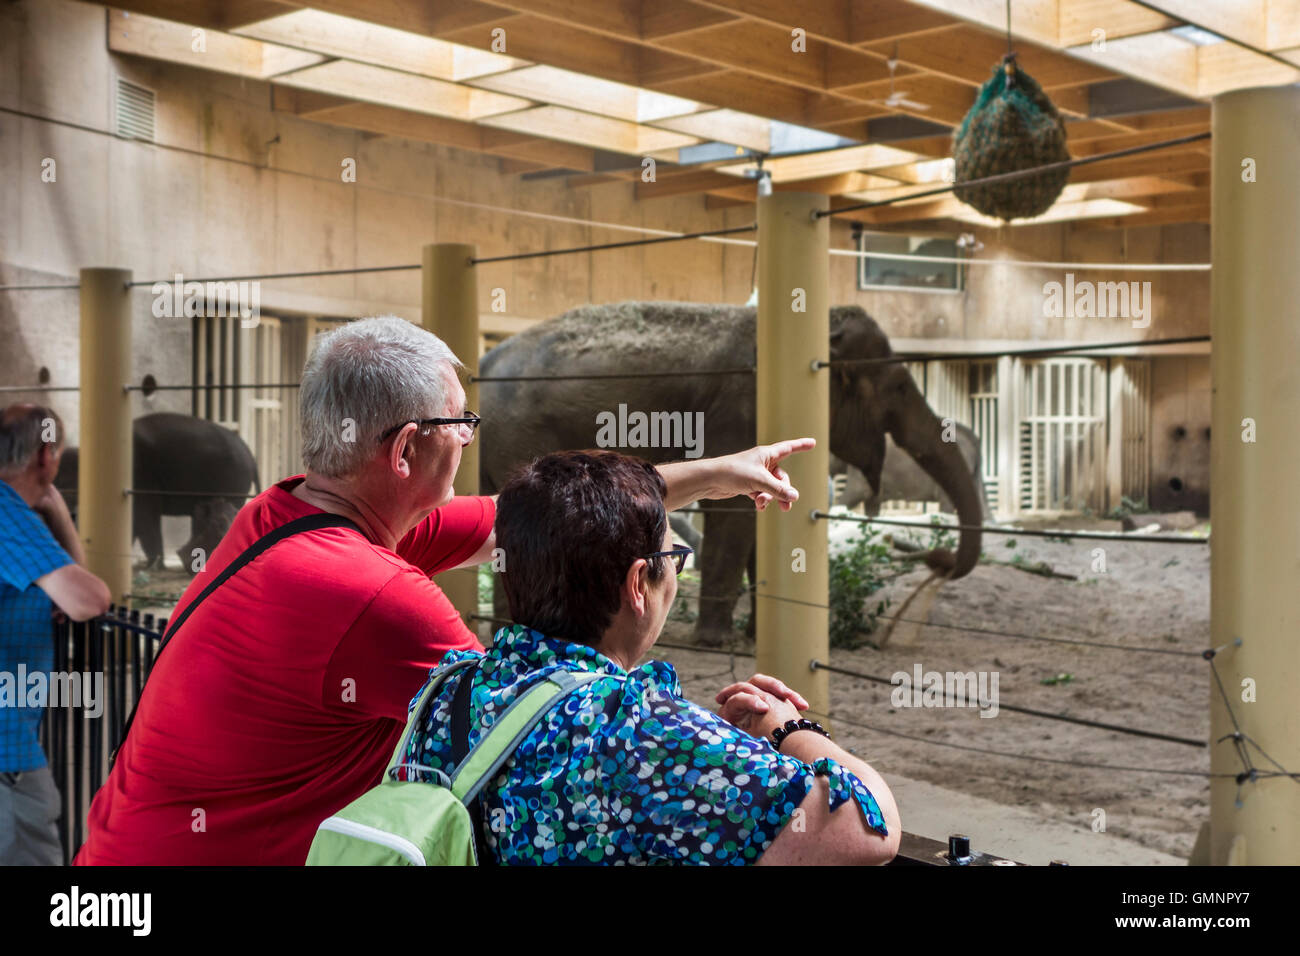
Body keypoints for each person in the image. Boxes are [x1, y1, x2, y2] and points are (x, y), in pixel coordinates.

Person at [75, 316, 813, 865]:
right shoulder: (371, 594)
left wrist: (716, 472)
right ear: (406, 449)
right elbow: (535, 733)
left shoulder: (290, 516)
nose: (468, 436)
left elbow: (534, 521)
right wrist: (744, 738)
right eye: (460, 421)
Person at [401, 449, 901, 865]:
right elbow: (868, 827)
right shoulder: (640, 729)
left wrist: (708, 739)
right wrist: (791, 732)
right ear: (639, 584)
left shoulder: (445, 691)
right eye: (673, 559)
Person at [1, 404, 111, 865]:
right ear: (46, 456)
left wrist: (55, 509)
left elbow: (68, 588)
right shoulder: (8, 515)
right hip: (8, 752)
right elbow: (90, 599)